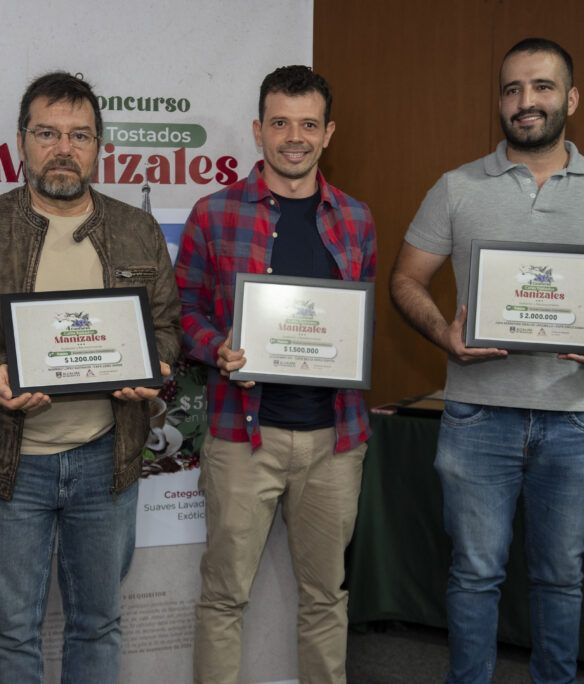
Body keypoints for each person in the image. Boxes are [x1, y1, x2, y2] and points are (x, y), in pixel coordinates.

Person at [389, 38, 584, 683]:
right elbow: (406, 280)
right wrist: (444, 334)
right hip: (476, 416)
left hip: (573, 420)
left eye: (541, 87)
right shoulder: (456, 188)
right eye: (512, 89)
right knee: (475, 574)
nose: (525, 101)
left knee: (561, 577)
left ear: (570, 98)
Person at [0, 71, 180, 683]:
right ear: (21, 141)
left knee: (98, 622)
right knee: (13, 630)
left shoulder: (136, 229)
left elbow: (167, 327)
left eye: (79, 135)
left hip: (107, 457)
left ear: (100, 146)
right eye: (47, 133)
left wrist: (157, 368)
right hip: (11, 463)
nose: (63, 148)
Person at [175, 65, 376, 684]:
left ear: (328, 133)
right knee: (224, 597)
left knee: (325, 598)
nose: (295, 137)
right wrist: (219, 348)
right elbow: (182, 311)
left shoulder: (357, 218)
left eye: (309, 124)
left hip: (334, 442)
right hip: (243, 439)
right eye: (281, 123)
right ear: (259, 130)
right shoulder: (214, 213)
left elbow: (356, 325)